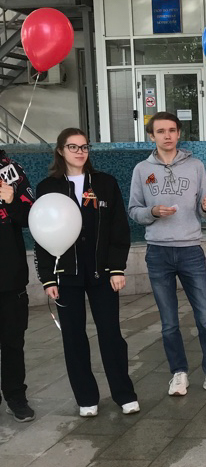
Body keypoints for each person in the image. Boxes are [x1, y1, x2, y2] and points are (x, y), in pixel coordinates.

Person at [128, 111, 206, 396]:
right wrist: (152, 212)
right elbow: (134, 211)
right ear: (151, 136)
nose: (167, 135)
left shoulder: (196, 166)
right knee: (169, 322)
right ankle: (178, 373)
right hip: (158, 252)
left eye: (172, 130)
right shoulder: (141, 169)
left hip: (190, 250)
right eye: (160, 131)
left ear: (179, 134)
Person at [36, 129, 138, 418]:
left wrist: (117, 268)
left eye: (84, 147)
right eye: (73, 147)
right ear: (60, 150)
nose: (80, 152)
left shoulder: (105, 184)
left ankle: (124, 394)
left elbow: (119, 228)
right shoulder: (48, 187)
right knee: (73, 337)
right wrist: (48, 277)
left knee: (111, 335)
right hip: (66, 275)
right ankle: (86, 398)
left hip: (102, 273)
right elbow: (42, 232)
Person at [0, 149, 35, 422]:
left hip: (9, 276)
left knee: (12, 342)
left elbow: (31, 218)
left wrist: (11, 201)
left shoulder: (11, 170)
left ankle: (15, 397)